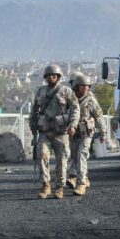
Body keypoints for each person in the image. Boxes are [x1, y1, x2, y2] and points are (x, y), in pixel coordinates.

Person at [29, 64, 79, 199]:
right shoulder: (41, 91)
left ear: (58, 77)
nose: (51, 77)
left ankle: (59, 187)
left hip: (61, 133)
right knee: (42, 155)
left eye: (54, 75)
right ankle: (46, 185)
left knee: (61, 161)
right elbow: (34, 110)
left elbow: (75, 108)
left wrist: (73, 125)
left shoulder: (66, 91)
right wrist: (33, 128)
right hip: (45, 132)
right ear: (45, 77)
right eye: (49, 75)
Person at [67, 74, 106, 196]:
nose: (85, 88)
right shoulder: (70, 98)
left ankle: (81, 183)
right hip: (73, 133)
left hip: (86, 133)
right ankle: (83, 178)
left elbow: (99, 116)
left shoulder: (90, 100)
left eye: (87, 86)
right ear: (77, 86)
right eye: (82, 86)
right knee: (74, 156)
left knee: (82, 154)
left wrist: (103, 132)